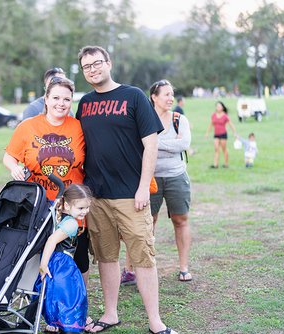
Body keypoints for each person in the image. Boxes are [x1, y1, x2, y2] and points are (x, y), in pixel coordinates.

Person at [76, 45, 177, 334]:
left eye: (97, 63)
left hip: (132, 196)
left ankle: (156, 322)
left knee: (143, 257)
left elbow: (151, 144)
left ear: (109, 63)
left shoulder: (133, 96)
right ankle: (110, 314)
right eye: (87, 66)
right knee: (106, 257)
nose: (93, 69)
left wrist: (144, 186)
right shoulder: (84, 103)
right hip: (96, 197)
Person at [3, 77, 92, 330]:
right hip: (38, 204)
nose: (61, 103)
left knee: (76, 256)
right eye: (56, 98)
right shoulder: (28, 126)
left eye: (66, 99)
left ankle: (77, 309)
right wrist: (14, 169)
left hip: (71, 205)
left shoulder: (78, 127)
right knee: (39, 258)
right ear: (46, 99)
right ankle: (46, 312)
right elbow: (9, 156)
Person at [149, 79, 193, 282]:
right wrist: (170, 143)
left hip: (176, 176)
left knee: (180, 220)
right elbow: (141, 145)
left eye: (171, 94)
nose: (170, 98)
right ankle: (143, 268)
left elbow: (184, 144)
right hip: (151, 177)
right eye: (166, 94)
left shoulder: (179, 119)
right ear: (154, 97)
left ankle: (184, 267)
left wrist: (156, 143)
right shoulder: (146, 119)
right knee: (148, 223)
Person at [36, 184, 93, 333]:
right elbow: (52, 240)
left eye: (87, 207)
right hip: (62, 263)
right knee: (70, 294)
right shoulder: (71, 223)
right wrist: (43, 264)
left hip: (54, 260)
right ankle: (69, 325)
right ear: (67, 206)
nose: (85, 211)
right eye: (81, 208)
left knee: (54, 293)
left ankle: (54, 322)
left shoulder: (58, 215)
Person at [205, 101, 237, 168]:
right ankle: (215, 164)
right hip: (216, 135)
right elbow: (211, 124)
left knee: (224, 149)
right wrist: (207, 133)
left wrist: (235, 133)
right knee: (216, 149)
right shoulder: (213, 115)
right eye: (217, 106)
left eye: (219, 106)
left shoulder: (225, 116)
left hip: (223, 134)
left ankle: (226, 164)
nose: (218, 108)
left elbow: (231, 124)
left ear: (222, 108)